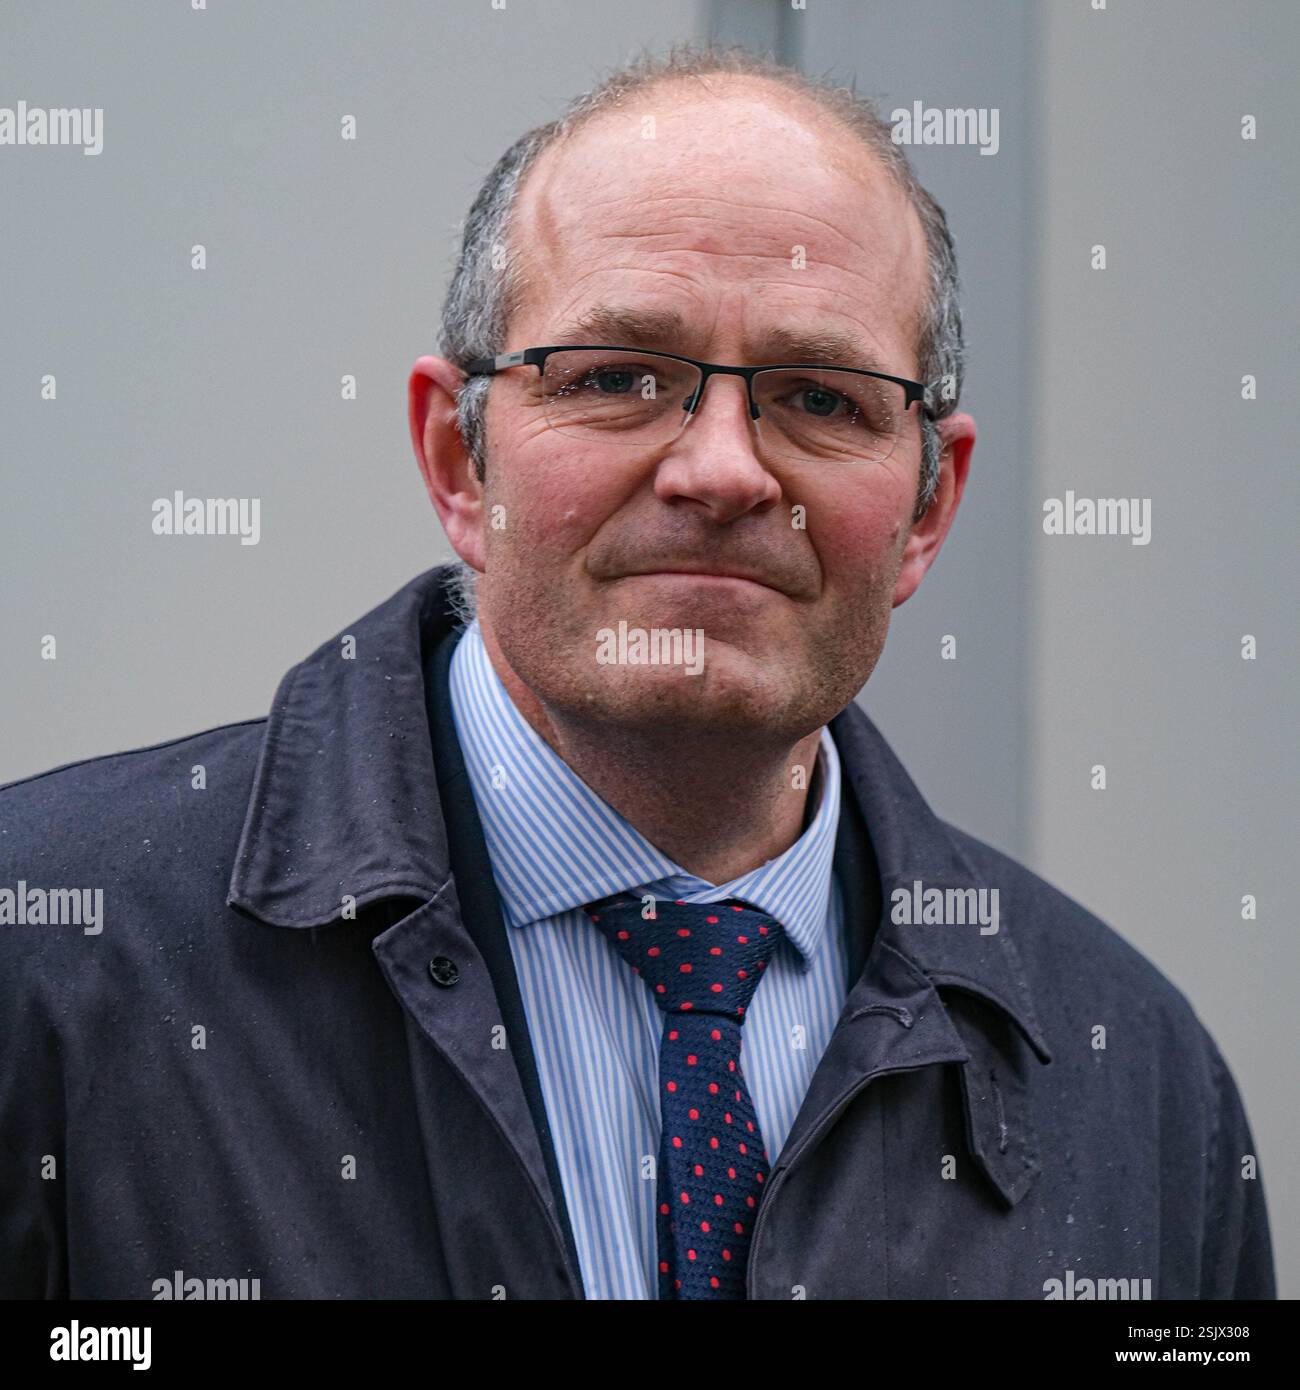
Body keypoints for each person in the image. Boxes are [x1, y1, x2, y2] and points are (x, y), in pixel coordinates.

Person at [0, 47, 1275, 1300]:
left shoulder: (1140, 1088)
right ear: (458, 461)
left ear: (926, 513)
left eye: (821, 398)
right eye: (617, 377)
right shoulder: (51, 958)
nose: (721, 471)